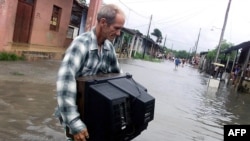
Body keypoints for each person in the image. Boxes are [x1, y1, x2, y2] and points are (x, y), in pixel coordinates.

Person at [54, 4, 126, 141]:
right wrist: (75, 123)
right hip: (76, 113)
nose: (118, 33)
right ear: (103, 22)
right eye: (116, 28)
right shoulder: (80, 45)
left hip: (96, 112)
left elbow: (119, 78)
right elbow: (65, 85)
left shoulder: (109, 48)